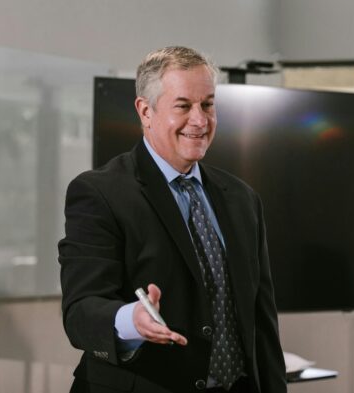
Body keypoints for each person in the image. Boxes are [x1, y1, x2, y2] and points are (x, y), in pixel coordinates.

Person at [59, 46, 287, 393]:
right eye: (183, 106)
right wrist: (131, 321)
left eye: (208, 104)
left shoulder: (242, 199)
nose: (200, 120)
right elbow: (80, 312)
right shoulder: (98, 193)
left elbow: (262, 324)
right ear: (145, 111)